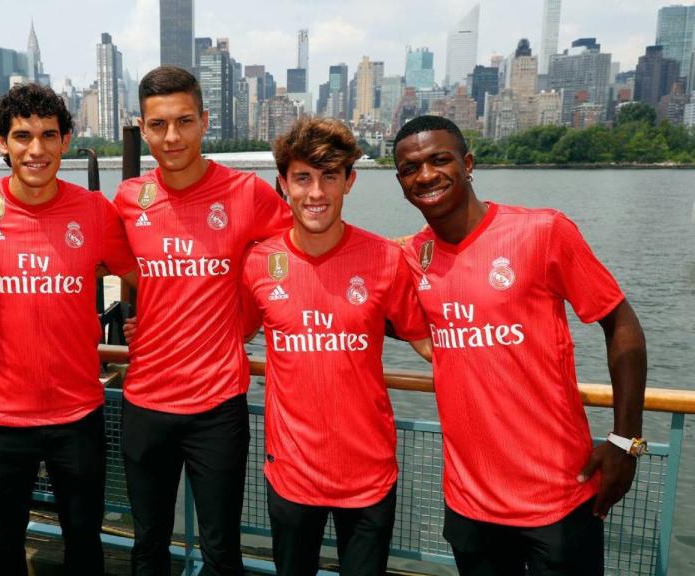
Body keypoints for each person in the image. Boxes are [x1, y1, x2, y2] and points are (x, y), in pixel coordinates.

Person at [392, 115, 647, 576]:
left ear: (468, 164)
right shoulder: (413, 255)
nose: (425, 175)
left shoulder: (543, 231)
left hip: (558, 497)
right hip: (469, 503)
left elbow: (621, 323)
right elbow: (359, 290)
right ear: (401, 183)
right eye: (410, 168)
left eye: (439, 160)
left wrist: (625, 440)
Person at [0, 83, 136, 575]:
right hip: (1, 418)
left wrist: (145, 325)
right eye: (22, 136)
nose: (36, 149)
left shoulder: (95, 211)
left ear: (66, 140)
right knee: (4, 548)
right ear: (2, 142)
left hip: (79, 415)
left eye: (49, 135)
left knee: (85, 545)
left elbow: (139, 275)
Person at [113, 65, 291, 575]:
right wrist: (150, 315)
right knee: (147, 543)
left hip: (218, 405)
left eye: (184, 121)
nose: (172, 137)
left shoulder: (248, 193)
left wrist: (249, 319)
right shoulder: (130, 199)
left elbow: (290, 259)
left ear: (205, 121)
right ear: (143, 129)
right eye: (159, 125)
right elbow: (116, 265)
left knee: (220, 549)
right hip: (145, 403)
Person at [241, 117, 430, 576]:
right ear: (283, 184)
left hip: (368, 473)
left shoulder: (385, 259)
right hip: (291, 473)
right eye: (303, 178)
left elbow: (432, 344)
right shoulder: (260, 262)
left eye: (330, 176)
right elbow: (232, 333)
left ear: (350, 181)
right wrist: (143, 330)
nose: (316, 193)